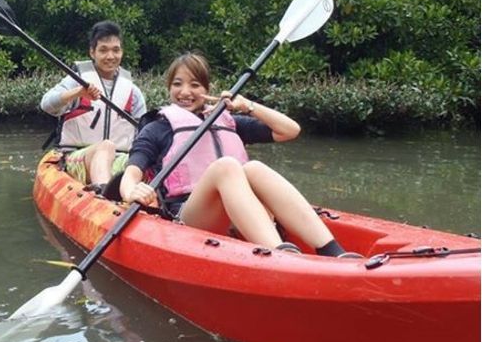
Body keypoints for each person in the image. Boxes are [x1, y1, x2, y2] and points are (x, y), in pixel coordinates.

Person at [119, 52, 360, 258]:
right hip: (188, 217)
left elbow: (290, 130)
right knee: (227, 167)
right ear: (169, 87)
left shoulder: (227, 120)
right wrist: (131, 191)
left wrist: (249, 106)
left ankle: (332, 250)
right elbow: (132, 170)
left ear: (207, 89)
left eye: (195, 85)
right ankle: (278, 252)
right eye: (177, 84)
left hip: (242, 212)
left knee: (253, 168)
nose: (185, 92)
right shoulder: (158, 127)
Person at [40, 21, 146, 193]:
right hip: (76, 158)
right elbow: (46, 104)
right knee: (106, 146)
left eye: (116, 50)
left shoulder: (134, 93)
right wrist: (78, 93)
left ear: (122, 51)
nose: (110, 56)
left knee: (138, 162)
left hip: (119, 159)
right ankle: (104, 192)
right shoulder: (77, 81)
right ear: (92, 52)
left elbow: (144, 134)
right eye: (103, 50)